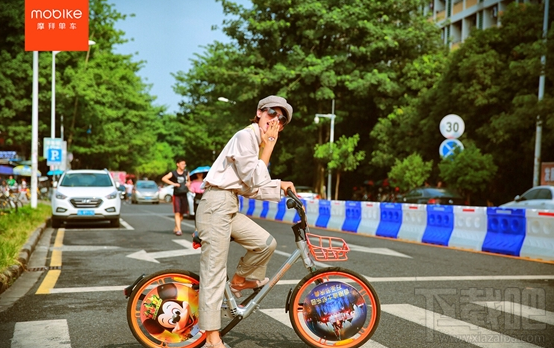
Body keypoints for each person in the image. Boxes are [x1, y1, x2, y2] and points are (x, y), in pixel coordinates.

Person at [195, 95, 296, 348]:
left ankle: (239, 281)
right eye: (272, 113)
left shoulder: (254, 142)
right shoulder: (246, 136)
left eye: (281, 119)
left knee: (265, 243)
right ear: (259, 112)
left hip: (228, 204)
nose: (275, 121)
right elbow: (253, 180)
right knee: (214, 271)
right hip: (216, 204)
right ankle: (211, 337)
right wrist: (269, 145)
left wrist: (280, 188)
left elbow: (252, 186)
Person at [162, 158, 190, 236]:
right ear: (177, 164)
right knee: (177, 212)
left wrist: (188, 184)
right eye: (182, 164)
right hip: (177, 194)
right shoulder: (173, 173)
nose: (183, 166)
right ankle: (179, 230)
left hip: (184, 194)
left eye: (184, 164)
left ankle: (176, 226)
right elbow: (164, 178)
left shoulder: (186, 172)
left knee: (182, 214)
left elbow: (189, 180)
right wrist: (173, 184)